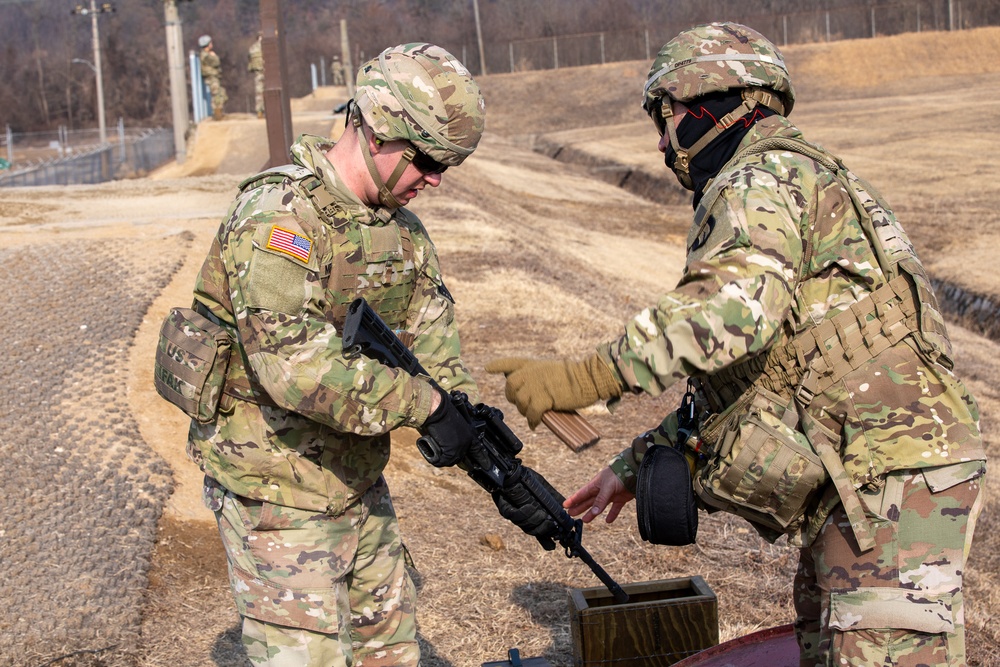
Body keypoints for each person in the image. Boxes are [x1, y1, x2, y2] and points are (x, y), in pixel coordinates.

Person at [486, 22, 987, 666]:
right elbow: (760, 375)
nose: (664, 145)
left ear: (703, 108)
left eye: (665, 122)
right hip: (868, 471)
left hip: (889, 474)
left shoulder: (760, 180)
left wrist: (587, 378)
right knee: (829, 645)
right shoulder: (794, 176)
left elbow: (733, 313)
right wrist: (636, 466)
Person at [185, 43, 485, 666]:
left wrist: (466, 422)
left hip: (356, 480)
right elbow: (296, 371)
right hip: (279, 493)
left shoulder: (401, 232)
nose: (434, 180)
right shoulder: (278, 218)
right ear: (376, 130)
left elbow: (434, 346)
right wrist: (424, 405)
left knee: (391, 654)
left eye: (446, 167)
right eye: (426, 160)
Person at [198, 34, 227, 121]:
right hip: (211, 77)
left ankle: (218, 111)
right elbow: (216, 62)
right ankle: (217, 113)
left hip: (213, 76)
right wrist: (214, 56)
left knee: (221, 93)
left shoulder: (205, 54)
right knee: (216, 94)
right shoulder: (206, 55)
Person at [247, 32, 265, 118]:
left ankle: (259, 111)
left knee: (259, 92)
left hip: (258, 72)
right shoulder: (266, 46)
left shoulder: (252, 48)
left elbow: (250, 60)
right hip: (267, 71)